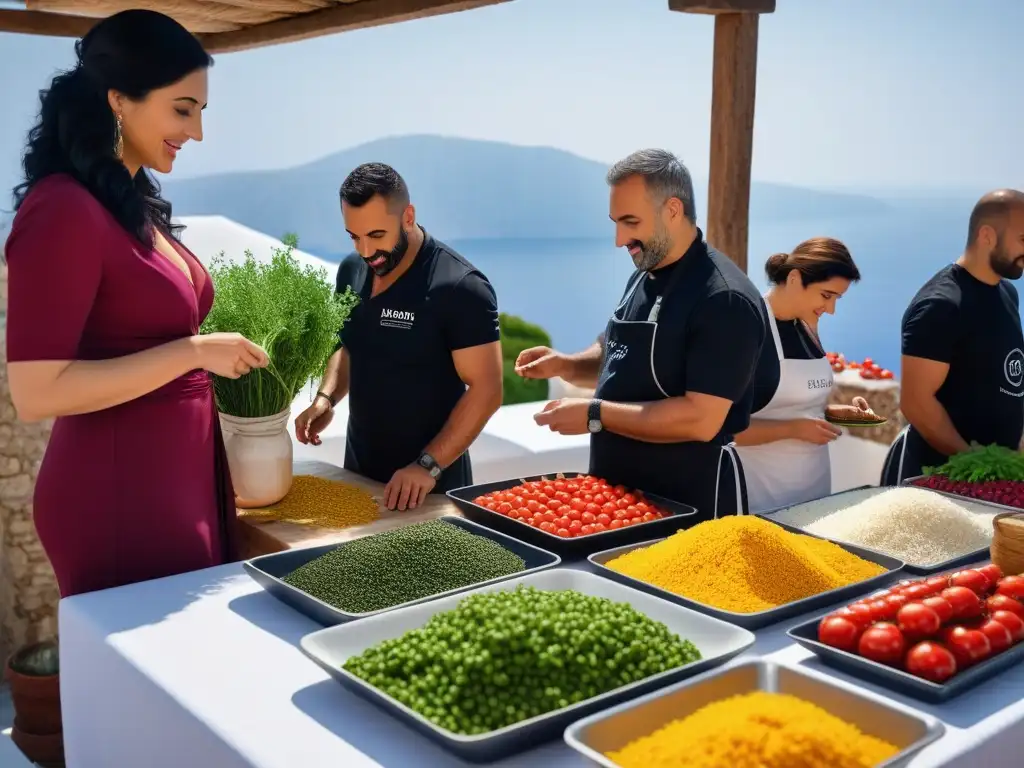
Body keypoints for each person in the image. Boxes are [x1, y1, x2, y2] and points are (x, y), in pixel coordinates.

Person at [4, 11, 269, 597]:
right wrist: (194, 351)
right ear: (118, 99)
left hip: (176, 481)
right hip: (121, 494)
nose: (196, 132)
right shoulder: (62, 210)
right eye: (182, 109)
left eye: (201, 111)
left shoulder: (130, 204)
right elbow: (36, 392)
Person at [516, 149, 766, 519]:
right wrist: (566, 365)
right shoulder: (644, 274)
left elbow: (701, 418)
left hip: (688, 507)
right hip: (618, 502)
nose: (620, 240)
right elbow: (619, 355)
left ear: (673, 210)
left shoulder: (724, 299)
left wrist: (595, 414)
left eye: (631, 222)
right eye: (616, 222)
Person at [294, 163, 503, 511]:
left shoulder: (459, 286)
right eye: (354, 236)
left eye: (376, 235)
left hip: (430, 488)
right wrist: (326, 399)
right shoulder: (351, 270)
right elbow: (349, 343)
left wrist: (427, 466)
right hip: (357, 478)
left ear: (408, 216)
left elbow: (488, 389)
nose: (365, 251)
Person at [881, 189, 1024, 485]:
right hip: (944, 481)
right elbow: (916, 402)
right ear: (987, 236)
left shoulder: (1007, 294)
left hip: (995, 481)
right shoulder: (941, 305)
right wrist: (978, 464)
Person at [732, 238, 862, 513]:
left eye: (836, 299)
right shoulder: (748, 326)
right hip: (761, 501)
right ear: (794, 278)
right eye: (826, 295)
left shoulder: (808, 324)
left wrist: (838, 413)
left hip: (815, 494)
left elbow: (801, 406)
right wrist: (793, 429)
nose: (831, 309)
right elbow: (725, 431)